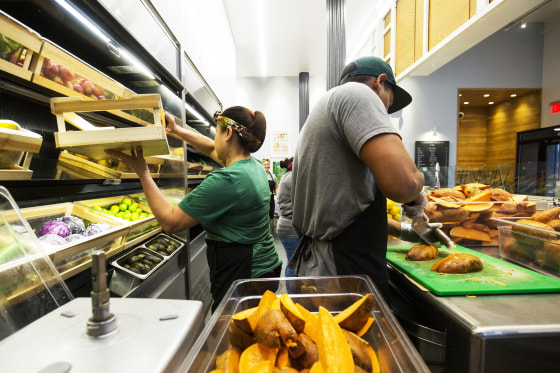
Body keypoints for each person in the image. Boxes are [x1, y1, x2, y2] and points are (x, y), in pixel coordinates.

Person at [289, 56, 439, 301]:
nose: (386, 112)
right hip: (342, 270)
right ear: (379, 83)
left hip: (327, 265)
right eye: (388, 104)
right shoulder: (358, 94)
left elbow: (347, 207)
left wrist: (406, 230)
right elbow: (403, 185)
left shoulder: (329, 105)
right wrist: (417, 188)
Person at [107, 107, 282, 311]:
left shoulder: (227, 180)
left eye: (217, 131)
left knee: (236, 333)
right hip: (264, 267)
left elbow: (170, 222)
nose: (214, 138)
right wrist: (177, 130)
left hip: (245, 273)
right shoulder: (255, 166)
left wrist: (143, 172)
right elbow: (210, 149)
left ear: (228, 133)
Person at [275, 157, 299, 277]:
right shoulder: (292, 178)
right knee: (294, 265)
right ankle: (292, 294)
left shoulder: (286, 176)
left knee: (292, 262)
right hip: (290, 228)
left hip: (286, 225)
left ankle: (293, 293)